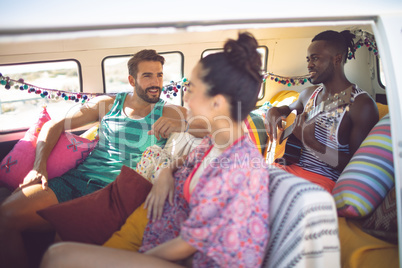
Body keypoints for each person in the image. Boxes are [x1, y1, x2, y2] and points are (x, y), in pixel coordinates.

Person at [40, 32, 270, 268]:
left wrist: (132, 260)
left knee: (57, 257)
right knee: (61, 240)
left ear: (217, 102)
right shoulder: (219, 142)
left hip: (191, 259)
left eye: (191, 89)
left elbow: (191, 244)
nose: (185, 97)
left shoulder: (239, 167)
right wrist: (166, 173)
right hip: (155, 234)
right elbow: (188, 160)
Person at [0, 49, 207, 268]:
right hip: (75, 181)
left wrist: (182, 126)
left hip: (113, 194)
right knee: (5, 218)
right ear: (131, 79)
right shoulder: (107, 104)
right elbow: (54, 125)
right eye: (147, 75)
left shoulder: (170, 112)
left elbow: (211, 128)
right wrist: (38, 168)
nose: (156, 82)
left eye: (159, 75)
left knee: (61, 246)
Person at [265, 30, 379, 192]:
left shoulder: (361, 104)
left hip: (322, 180)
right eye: (308, 59)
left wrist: (311, 142)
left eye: (315, 58)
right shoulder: (308, 93)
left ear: (337, 59)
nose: (309, 65)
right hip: (291, 169)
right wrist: (273, 111)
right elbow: (287, 109)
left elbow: (357, 166)